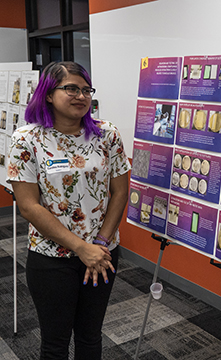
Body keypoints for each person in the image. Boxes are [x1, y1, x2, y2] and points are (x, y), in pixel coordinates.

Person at [6, 61, 131, 360]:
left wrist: (99, 244)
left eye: (86, 90)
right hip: (52, 257)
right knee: (55, 342)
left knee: (90, 336)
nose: (81, 96)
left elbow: (120, 191)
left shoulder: (107, 134)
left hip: (102, 253)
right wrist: (80, 247)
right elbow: (28, 206)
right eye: (71, 88)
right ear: (49, 94)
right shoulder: (27, 140)